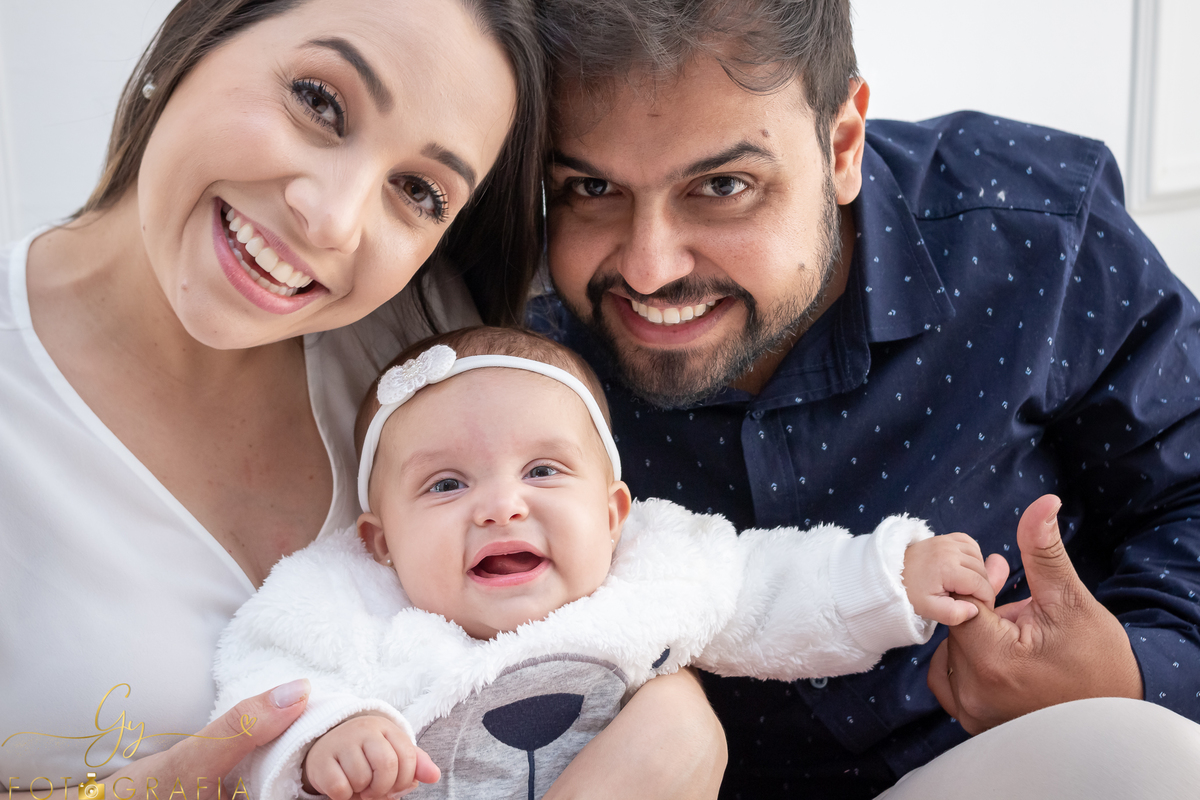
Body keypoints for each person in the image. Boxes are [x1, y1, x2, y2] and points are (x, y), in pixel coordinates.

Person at [0, 2, 726, 798]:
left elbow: (599, 605)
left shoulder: (429, 357)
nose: (333, 219)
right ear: (200, 35)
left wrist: (675, 724)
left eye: (417, 190)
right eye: (318, 101)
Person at [530, 0, 1200, 797]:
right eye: (591, 186)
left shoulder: (1036, 234)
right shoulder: (503, 333)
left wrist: (1132, 673)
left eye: (723, 184)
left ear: (842, 143)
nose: (647, 269)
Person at [211, 325, 1000, 800]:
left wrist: (892, 575)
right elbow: (262, 676)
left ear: (613, 513)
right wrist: (327, 735)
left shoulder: (650, 573)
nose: (500, 507)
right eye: (447, 484)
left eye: (544, 471)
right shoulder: (349, 604)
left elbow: (770, 588)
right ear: (380, 542)